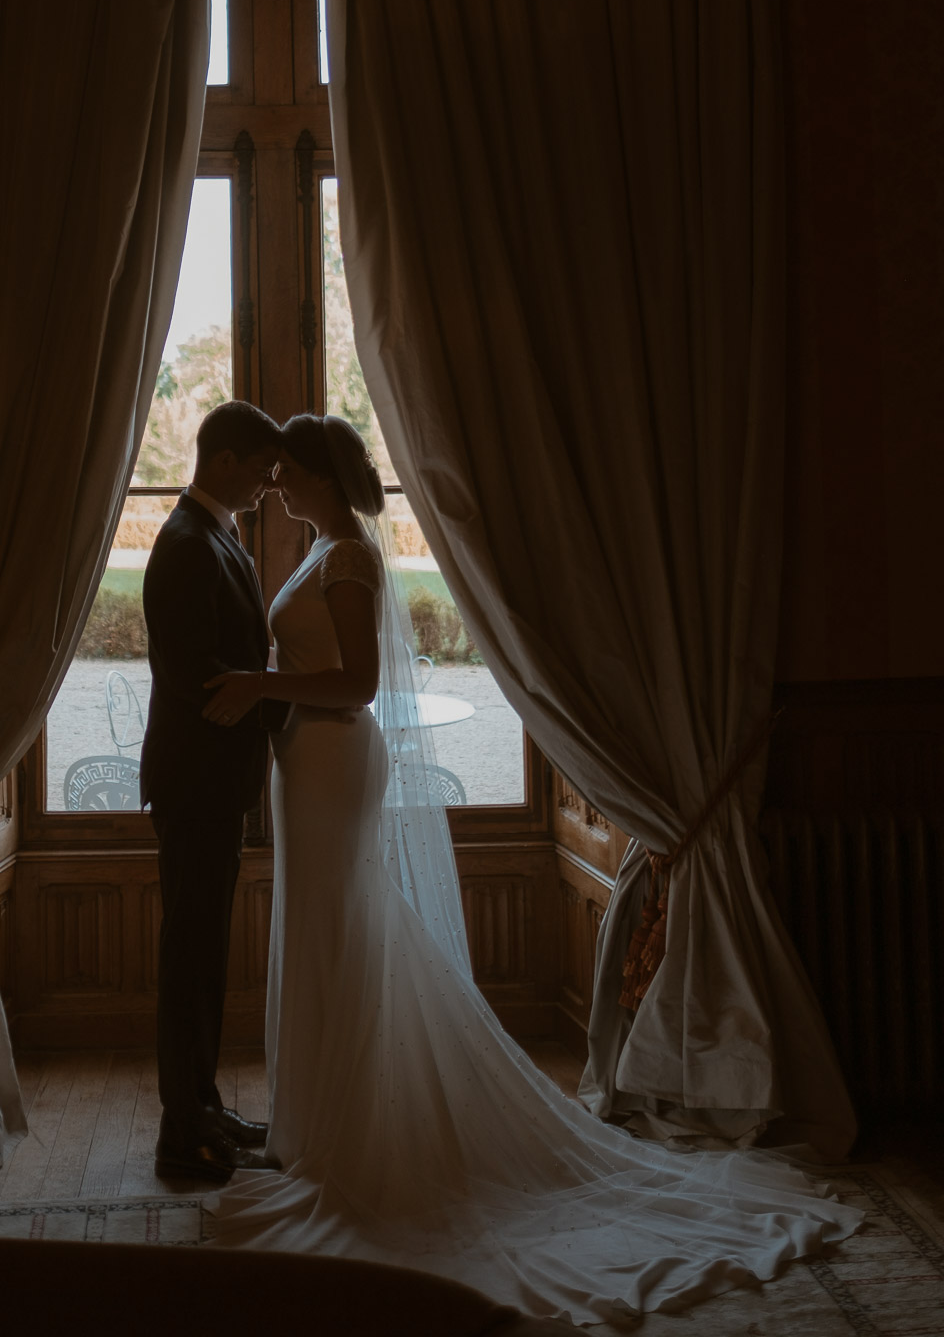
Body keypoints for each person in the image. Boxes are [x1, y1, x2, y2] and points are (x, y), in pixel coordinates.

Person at [202, 413, 864, 1329]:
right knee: (325, 926)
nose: (272, 480)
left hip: (334, 759)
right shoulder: (320, 549)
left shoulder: (349, 559)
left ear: (319, 476)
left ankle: (352, 1132)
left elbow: (356, 686)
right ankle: (316, 1126)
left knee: (346, 922)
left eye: (286, 469)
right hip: (303, 766)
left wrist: (261, 687)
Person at [140, 399, 284, 1183]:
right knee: (187, 958)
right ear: (223, 459)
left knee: (205, 956)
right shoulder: (184, 542)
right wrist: (260, 691)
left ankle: (202, 1102)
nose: (268, 482)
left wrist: (260, 688)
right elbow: (189, 666)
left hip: (215, 783)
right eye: (262, 467)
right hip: (194, 782)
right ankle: (177, 1134)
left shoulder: (219, 533)